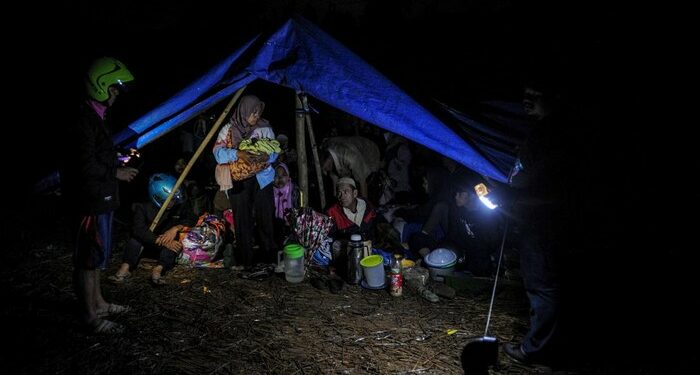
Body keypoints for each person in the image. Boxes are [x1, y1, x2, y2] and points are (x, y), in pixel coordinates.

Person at [502, 74, 582, 366]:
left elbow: (534, 180)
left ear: (554, 98)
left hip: (544, 221)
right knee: (546, 283)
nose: (527, 99)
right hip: (540, 218)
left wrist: (513, 194)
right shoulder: (542, 131)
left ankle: (537, 351)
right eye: (525, 93)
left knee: (543, 285)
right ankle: (548, 346)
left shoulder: (551, 134)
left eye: (535, 94)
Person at [60, 57, 138, 334]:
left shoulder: (96, 117)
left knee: (94, 256)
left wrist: (117, 159)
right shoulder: (83, 120)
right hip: (87, 200)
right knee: (86, 259)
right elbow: (84, 164)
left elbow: (97, 155)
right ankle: (90, 315)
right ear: (101, 86)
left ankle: (99, 302)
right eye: (114, 88)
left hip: (99, 197)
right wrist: (116, 172)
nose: (117, 94)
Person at [213, 95, 278, 270]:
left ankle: (269, 258)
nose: (256, 116)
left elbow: (275, 151)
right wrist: (238, 154)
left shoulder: (265, 128)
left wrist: (268, 156)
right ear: (244, 111)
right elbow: (218, 154)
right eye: (252, 112)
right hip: (239, 180)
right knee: (242, 220)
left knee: (266, 217)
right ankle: (246, 261)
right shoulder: (228, 129)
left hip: (262, 178)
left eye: (258, 112)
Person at [109, 173, 198, 285]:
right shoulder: (142, 206)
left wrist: (175, 228)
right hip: (148, 242)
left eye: (173, 199)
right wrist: (159, 240)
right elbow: (138, 229)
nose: (172, 203)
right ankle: (124, 269)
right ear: (156, 197)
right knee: (134, 241)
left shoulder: (178, 204)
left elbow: (191, 218)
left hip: (168, 244)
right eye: (168, 200)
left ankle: (158, 270)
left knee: (174, 245)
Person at [407, 177, 501, 275]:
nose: (456, 197)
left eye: (460, 194)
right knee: (416, 238)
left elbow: (490, 243)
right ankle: (431, 262)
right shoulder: (456, 209)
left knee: (482, 265)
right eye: (456, 193)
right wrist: (443, 249)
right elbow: (452, 235)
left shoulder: (487, 214)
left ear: (472, 195)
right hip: (456, 248)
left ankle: (441, 267)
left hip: (473, 254)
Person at [321, 136, 381, 200]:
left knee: (366, 181)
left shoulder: (350, 158)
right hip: (350, 149)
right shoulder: (326, 156)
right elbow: (334, 179)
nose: (325, 171)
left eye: (325, 168)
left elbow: (362, 182)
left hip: (369, 153)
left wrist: (364, 205)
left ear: (328, 160)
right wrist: (336, 200)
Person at [325, 177, 381, 241]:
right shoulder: (332, 213)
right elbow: (329, 237)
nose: (342, 196)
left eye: (346, 192)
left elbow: (378, 231)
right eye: (339, 193)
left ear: (355, 193)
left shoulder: (369, 208)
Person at [272, 163, 301, 248]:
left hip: (291, 227)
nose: (280, 178)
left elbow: (299, 209)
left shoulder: (294, 191)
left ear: (288, 177)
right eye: (276, 175)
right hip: (275, 228)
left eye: (284, 175)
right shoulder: (270, 192)